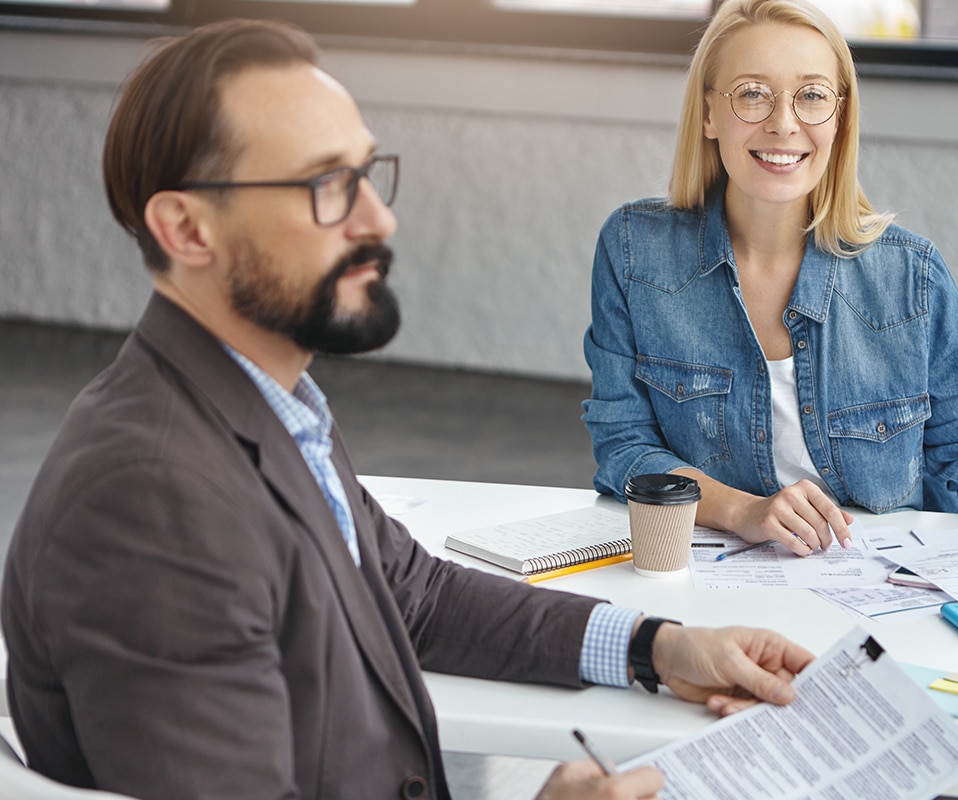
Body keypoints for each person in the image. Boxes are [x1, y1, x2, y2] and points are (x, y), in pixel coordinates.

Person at [0, 18, 818, 800]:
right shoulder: (152, 502)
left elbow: (413, 594)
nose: (378, 219)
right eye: (326, 185)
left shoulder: (267, 410)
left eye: (365, 174)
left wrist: (657, 648)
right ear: (186, 228)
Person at [582, 0, 958, 583]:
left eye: (812, 95)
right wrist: (744, 510)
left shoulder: (910, 276)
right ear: (709, 113)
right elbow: (624, 447)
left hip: (883, 592)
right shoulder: (636, 252)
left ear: (840, 119)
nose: (784, 122)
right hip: (706, 583)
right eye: (752, 93)